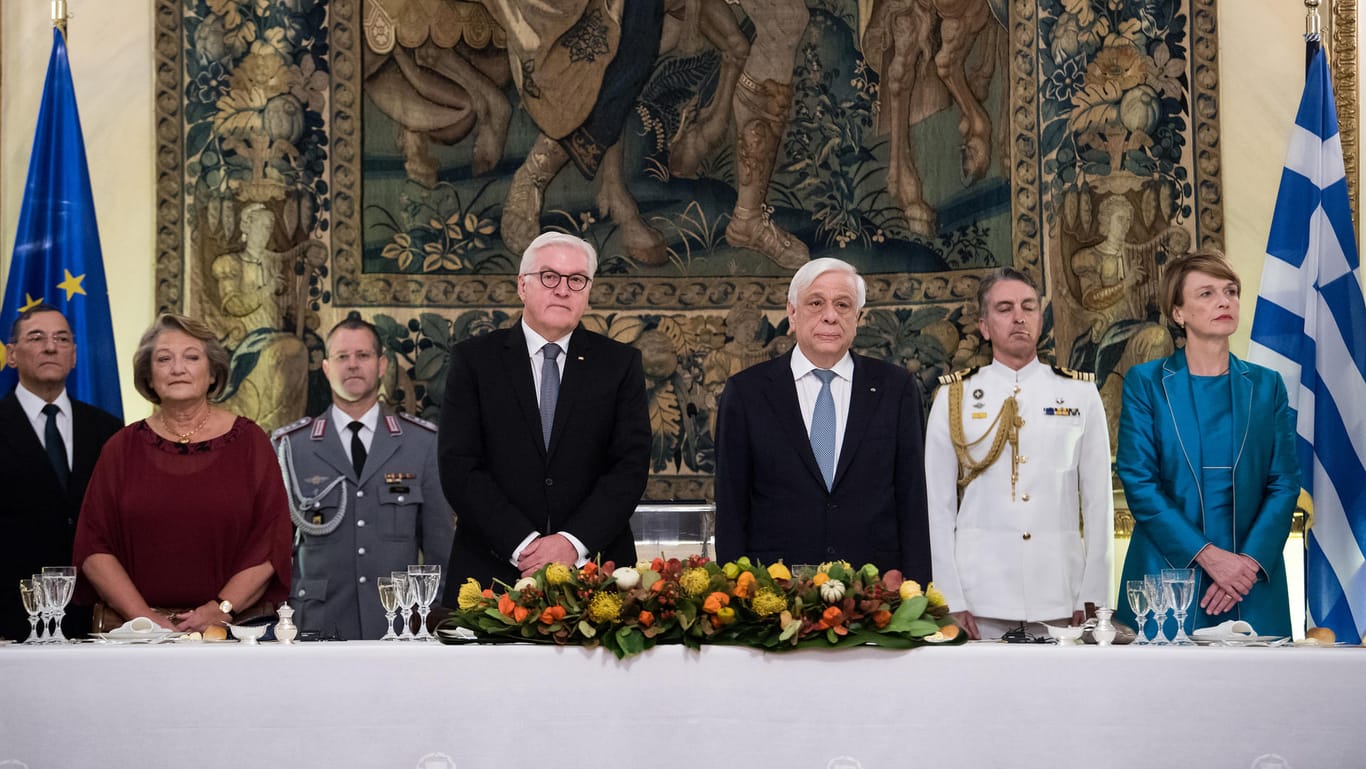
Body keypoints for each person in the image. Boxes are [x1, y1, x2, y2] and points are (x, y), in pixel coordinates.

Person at [438, 232, 650, 599]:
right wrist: (526, 547)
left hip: (595, 574)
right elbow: (459, 467)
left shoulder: (619, 364)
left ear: (588, 291)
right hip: (492, 572)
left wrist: (571, 544)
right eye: (549, 276)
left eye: (576, 280)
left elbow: (629, 469)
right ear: (522, 286)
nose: (563, 289)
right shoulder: (475, 361)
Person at [1115, 250, 1299, 637]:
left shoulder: (1268, 386)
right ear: (1177, 312)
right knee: (1161, 695)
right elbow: (1140, 483)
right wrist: (1212, 559)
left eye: (1230, 291)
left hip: (1253, 580)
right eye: (1207, 293)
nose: (1223, 301)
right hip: (1167, 578)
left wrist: (1245, 566)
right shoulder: (1145, 383)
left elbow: (1283, 484)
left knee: (1262, 694)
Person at [713, 257, 931, 581]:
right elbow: (731, 506)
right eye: (816, 303)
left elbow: (913, 499)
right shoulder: (747, 392)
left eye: (843, 305)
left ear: (857, 318)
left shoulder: (895, 388)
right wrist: (735, 592)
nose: (830, 316)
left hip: (874, 593)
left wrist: (917, 590)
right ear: (792, 313)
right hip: (774, 594)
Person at [924, 268, 1113, 641]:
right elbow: (937, 505)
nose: (1019, 317)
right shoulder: (954, 397)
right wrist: (948, 597)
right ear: (984, 325)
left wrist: (1092, 597)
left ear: (1041, 319)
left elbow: (1098, 504)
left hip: (1060, 594)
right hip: (980, 595)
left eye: (1028, 307)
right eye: (1004, 308)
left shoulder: (1079, 394)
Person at [72, 313, 292, 633]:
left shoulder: (250, 442)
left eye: (191, 357)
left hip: (234, 630)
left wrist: (221, 608)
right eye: (164, 359)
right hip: (136, 635)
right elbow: (93, 547)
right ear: (148, 376)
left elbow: (273, 540)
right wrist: (145, 619)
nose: (178, 368)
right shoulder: (120, 448)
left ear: (213, 372)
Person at [273, 317, 454, 639]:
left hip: (399, 626)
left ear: (382, 365)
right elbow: (275, 550)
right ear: (327, 368)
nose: (352, 365)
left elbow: (440, 547)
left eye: (363, 356)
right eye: (342, 357)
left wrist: (429, 616)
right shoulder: (292, 447)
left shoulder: (421, 443)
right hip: (316, 624)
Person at [0, 304, 122, 640]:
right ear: (12, 355)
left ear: (74, 355)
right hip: (9, 611)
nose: (51, 347)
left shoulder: (109, 429)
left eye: (62, 339)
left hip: (94, 611)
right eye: (36, 338)